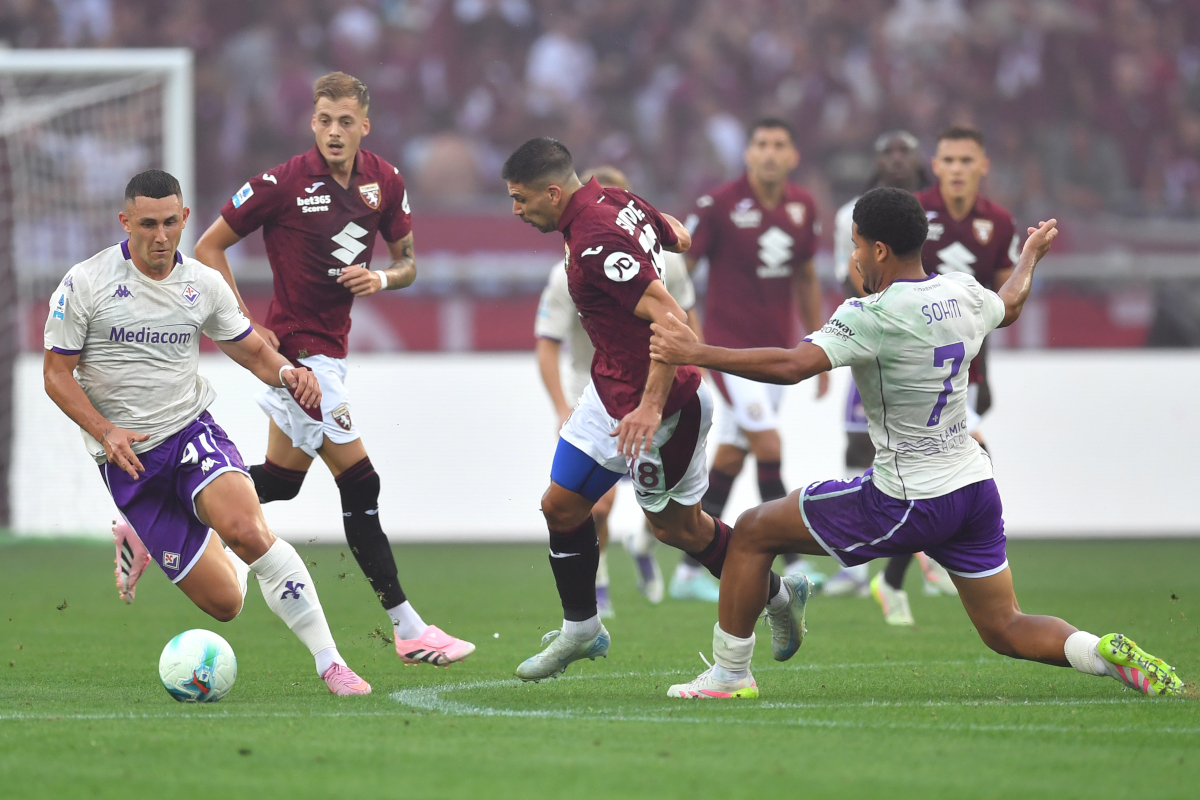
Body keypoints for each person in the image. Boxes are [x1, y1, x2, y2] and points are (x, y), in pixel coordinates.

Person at [651, 187, 1185, 700]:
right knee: (1005, 626)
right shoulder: (963, 291)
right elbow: (1011, 303)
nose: (854, 256)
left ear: (878, 248)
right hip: (973, 488)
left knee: (750, 531)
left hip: (908, 497)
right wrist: (1029, 258)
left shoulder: (872, 315)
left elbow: (793, 365)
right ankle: (1099, 651)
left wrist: (693, 351)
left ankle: (728, 675)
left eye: (856, 244)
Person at [44, 170, 373, 695]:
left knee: (249, 533)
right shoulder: (85, 283)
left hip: (190, 432)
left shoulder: (203, 284)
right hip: (128, 462)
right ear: (125, 221)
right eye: (147, 224)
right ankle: (141, 531)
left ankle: (331, 663)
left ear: (184, 219)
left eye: (170, 223)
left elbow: (252, 350)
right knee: (226, 604)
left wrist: (289, 373)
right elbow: (56, 375)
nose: (160, 236)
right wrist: (106, 431)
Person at [193, 72, 473, 668]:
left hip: (332, 352)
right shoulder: (283, 183)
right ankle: (409, 628)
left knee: (280, 481)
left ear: (364, 125)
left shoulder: (385, 182)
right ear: (312, 122)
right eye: (324, 120)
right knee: (362, 482)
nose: (334, 132)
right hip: (299, 360)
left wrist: (381, 279)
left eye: (346, 121)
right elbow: (208, 247)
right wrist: (247, 326)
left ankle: (163, 512)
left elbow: (409, 263)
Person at [504, 138, 808, 682]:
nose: (516, 211)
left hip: (665, 407)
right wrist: (659, 239)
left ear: (553, 192)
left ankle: (781, 596)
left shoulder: (596, 238)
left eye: (521, 199)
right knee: (560, 507)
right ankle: (581, 630)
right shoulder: (617, 199)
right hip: (608, 391)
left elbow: (671, 320)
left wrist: (649, 406)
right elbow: (679, 234)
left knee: (678, 530)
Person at [865, 125, 1018, 624]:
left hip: (959, 366)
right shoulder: (911, 214)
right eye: (947, 159)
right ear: (935, 166)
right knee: (965, 462)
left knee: (961, 465)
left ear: (982, 166)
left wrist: (986, 373)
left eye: (965, 160)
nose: (956, 169)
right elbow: (871, 275)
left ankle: (901, 573)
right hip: (909, 363)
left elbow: (997, 308)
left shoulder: (998, 224)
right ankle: (932, 561)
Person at [534, 165, 705, 615]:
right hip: (591, 387)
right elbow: (548, 344)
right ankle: (596, 596)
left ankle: (646, 549)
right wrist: (559, 405)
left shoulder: (631, 253)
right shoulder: (568, 266)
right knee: (585, 504)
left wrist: (695, 369)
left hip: (653, 386)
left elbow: (679, 318)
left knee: (672, 525)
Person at [685, 118, 829, 594]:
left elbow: (806, 277)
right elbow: (678, 270)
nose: (769, 153)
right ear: (748, 153)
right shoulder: (718, 205)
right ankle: (787, 563)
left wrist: (819, 341)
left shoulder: (803, 206)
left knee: (730, 457)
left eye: (779, 145)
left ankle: (688, 569)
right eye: (761, 144)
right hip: (728, 354)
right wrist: (694, 340)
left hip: (778, 357)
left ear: (793, 157)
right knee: (768, 446)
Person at [822, 131, 959, 617]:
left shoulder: (936, 210)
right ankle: (860, 569)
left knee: (948, 445)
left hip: (939, 340)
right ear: (877, 162)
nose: (898, 160)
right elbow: (846, 273)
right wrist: (873, 301)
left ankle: (926, 553)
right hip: (879, 337)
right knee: (862, 442)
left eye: (905, 152)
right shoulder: (850, 216)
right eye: (888, 153)